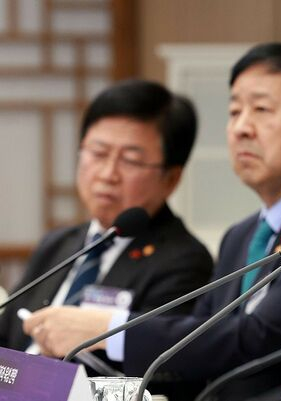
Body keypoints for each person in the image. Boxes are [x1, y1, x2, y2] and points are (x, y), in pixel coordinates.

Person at [24, 43, 281, 399]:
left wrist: (108, 329)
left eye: (261, 109)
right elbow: (199, 339)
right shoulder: (241, 235)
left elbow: (256, 339)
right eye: (234, 111)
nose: (241, 128)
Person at [0, 79, 213, 371]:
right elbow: (7, 336)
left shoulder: (184, 261)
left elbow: (160, 369)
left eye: (130, 160)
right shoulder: (58, 244)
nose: (107, 174)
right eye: (98, 153)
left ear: (171, 178)